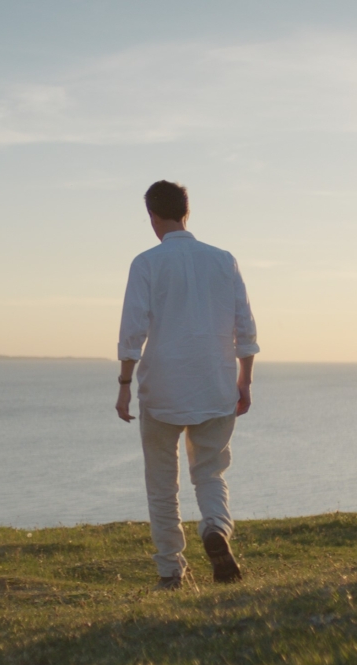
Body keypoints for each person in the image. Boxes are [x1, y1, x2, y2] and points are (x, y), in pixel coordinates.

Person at [115, 180, 259, 591]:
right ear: (187, 212)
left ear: (153, 216)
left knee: (162, 484)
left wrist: (124, 385)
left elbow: (132, 332)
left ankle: (170, 571)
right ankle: (214, 528)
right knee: (210, 473)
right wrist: (244, 381)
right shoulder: (223, 260)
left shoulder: (146, 263)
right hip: (215, 388)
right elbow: (245, 329)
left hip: (162, 391)